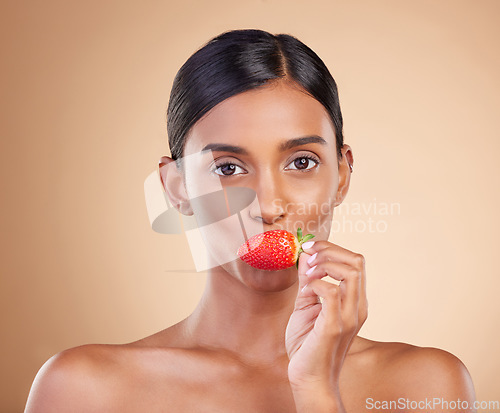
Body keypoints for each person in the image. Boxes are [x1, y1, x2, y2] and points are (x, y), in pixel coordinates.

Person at [25, 29, 476, 413]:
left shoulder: (427, 386)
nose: (268, 206)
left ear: (343, 175)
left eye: (301, 162)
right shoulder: (84, 389)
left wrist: (317, 391)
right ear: (176, 187)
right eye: (227, 168)